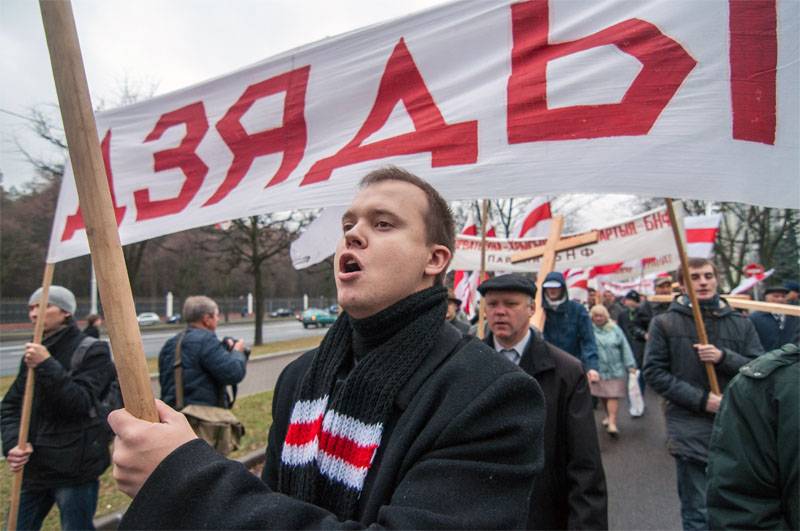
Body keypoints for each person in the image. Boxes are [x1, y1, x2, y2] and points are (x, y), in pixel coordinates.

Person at [110, 166, 546, 529]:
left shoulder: (492, 393)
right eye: (348, 225)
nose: (353, 235)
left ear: (434, 260)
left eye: (382, 223)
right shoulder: (299, 378)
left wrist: (189, 483)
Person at [479, 274, 607, 530]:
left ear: (531, 309)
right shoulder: (466, 366)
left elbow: (584, 464)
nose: (500, 312)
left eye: (511, 304)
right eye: (492, 305)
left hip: (541, 514)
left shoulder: (566, 372)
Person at [643, 258, 763, 531]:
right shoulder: (665, 324)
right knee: (698, 510)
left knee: (735, 508)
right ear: (683, 285)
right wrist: (702, 400)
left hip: (735, 427)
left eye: (708, 275)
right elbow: (654, 373)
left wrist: (724, 357)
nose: (703, 282)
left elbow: (759, 367)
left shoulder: (740, 323)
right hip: (689, 428)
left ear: (717, 279)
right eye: (694, 277)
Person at [1, 286, 115, 530]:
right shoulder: (32, 354)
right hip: (34, 469)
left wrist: (46, 364)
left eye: (43, 306)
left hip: (74, 469)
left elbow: (81, 403)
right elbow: (11, 406)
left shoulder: (92, 350)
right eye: (31, 308)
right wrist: (13, 444)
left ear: (65, 312)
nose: (33, 314)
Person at [706, 343, 798, 530]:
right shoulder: (765, 387)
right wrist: (699, 399)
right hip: (693, 425)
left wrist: (724, 357)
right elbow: (742, 509)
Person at [158, 296, 248, 411]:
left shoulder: (170, 344)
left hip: (174, 417)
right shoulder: (206, 341)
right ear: (207, 319)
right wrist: (237, 352)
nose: (218, 319)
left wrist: (223, 348)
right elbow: (233, 373)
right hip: (201, 420)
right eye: (216, 315)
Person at [541, 271, 601, 382]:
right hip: (546, 370)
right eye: (548, 287)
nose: (552, 290)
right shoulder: (537, 312)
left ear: (562, 288)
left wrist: (592, 367)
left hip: (573, 368)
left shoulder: (577, 310)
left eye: (556, 287)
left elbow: (588, 340)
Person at [589, 305, 637, 436]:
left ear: (606, 316)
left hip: (615, 369)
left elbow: (624, 347)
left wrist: (630, 364)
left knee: (612, 395)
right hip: (598, 369)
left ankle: (612, 422)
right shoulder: (588, 331)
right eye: (596, 316)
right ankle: (608, 415)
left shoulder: (615, 329)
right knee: (603, 395)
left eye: (601, 315)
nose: (598, 318)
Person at [617, 290, 651, 395]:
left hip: (640, 345)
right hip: (627, 344)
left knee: (639, 370)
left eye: (632, 300)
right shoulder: (622, 314)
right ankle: (632, 391)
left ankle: (640, 392)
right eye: (629, 300)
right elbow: (620, 328)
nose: (630, 302)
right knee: (630, 370)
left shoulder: (643, 312)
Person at [749, 285, 800, 351]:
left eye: (783, 296)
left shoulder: (795, 317)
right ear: (766, 298)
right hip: (764, 358)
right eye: (776, 296)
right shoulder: (755, 318)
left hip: (790, 358)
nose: (780, 299)